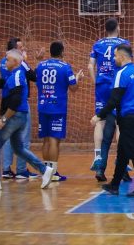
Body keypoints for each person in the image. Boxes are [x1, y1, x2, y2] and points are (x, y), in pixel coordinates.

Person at [0, 50, 55, 191]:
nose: (5, 61)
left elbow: (15, 100)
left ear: (15, 62)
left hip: (14, 116)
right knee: (18, 148)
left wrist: (3, 119)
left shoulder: (17, 75)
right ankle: (44, 170)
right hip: (19, 117)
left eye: (8, 59)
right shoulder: (13, 75)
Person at [91, 45, 134, 197]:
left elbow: (114, 100)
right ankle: (115, 184)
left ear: (122, 57)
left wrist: (99, 116)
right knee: (122, 152)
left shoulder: (121, 73)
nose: (113, 59)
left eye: (115, 56)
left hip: (127, 117)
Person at [35, 41, 84, 182]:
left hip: (43, 106)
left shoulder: (40, 65)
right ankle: (53, 173)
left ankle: (46, 172)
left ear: (50, 52)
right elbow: (73, 88)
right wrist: (78, 78)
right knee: (54, 140)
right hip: (57, 108)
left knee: (45, 140)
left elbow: (37, 80)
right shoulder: (65, 67)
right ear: (62, 52)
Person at [89, 18, 130, 182]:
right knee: (120, 123)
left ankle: (98, 157)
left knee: (100, 121)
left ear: (105, 29)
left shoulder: (97, 44)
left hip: (102, 86)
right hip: (117, 84)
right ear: (117, 28)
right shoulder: (123, 43)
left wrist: (96, 82)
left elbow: (90, 66)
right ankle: (122, 162)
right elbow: (127, 65)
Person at [0, 38, 39, 180]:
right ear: (15, 51)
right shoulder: (20, 62)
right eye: (21, 48)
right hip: (19, 104)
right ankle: (21, 170)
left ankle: (6, 169)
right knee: (23, 137)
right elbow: (35, 76)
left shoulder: (3, 62)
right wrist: (32, 61)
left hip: (6, 103)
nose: (23, 50)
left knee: (9, 137)